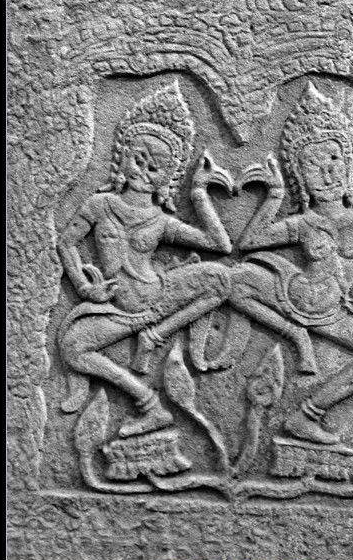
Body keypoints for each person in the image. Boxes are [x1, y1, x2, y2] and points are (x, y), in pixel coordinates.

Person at [229, 83, 353, 444]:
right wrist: (274, 196)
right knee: (236, 280)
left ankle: (307, 414)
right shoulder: (304, 223)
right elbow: (250, 242)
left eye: (334, 160)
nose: (327, 173)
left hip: (335, 313)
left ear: (350, 166)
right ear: (299, 177)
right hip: (294, 295)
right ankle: (293, 336)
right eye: (313, 164)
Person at [58, 82, 233, 438]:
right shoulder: (100, 205)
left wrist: (199, 193)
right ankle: (150, 405)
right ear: (122, 156)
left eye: (155, 167)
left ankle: (156, 334)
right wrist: (84, 287)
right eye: (138, 159)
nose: (143, 170)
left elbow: (219, 244)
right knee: (73, 349)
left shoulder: (161, 221)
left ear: (167, 179)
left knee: (221, 279)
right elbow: (67, 242)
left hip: (155, 299)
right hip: (118, 306)